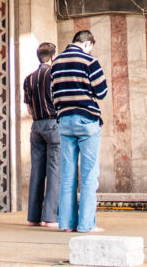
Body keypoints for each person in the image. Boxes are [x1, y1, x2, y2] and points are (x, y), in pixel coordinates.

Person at [50, 30, 108, 233]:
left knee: (67, 174)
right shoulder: (89, 60)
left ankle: (66, 224)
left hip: (64, 121)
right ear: (87, 44)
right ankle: (86, 224)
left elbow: (52, 94)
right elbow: (101, 92)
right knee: (89, 174)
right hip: (87, 120)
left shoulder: (55, 63)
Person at [23, 41, 60, 227]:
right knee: (55, 171)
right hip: (53, 125)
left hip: (36, 126)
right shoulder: (54, 75)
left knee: (37, 170)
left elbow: (29, 109)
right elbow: (59, 101)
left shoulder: (28, 79)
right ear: (53, 56)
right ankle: (51, 217)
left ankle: (33, 217)